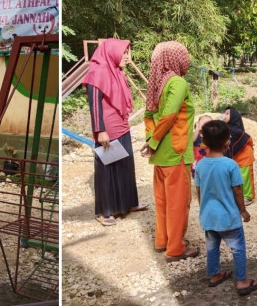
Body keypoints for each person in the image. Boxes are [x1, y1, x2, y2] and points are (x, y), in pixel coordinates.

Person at [140, 41, 199, 262]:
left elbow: (149, 116)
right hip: (177, 153)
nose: (187, 60)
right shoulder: (177, 82)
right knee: (178, 202)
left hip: (161, 157)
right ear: (175, 59)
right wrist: (153, 141)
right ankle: (175, 249)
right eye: (184, 55)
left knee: (163, 200)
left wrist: (150, 140)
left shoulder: (157, 83)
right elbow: (170, 115)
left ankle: (162, 241)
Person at [82, 38, 149, 227]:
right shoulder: (97, 72)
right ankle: (105, 211)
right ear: (112, 52)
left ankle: (129, 203)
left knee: (125, 166)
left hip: (122, 125)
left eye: (128, 53)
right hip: (107, 130)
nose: (128, 58)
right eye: (125, 53)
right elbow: (95, 104)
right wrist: (100, 130)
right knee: (107, 170)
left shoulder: (117, 71)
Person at [195, 120, 257, 295]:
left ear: (204, 143)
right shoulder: (231, 165)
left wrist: (204, 210)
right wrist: (243, 211)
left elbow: (199, 191)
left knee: (212, 248)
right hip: (229, 218)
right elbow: (238, 191)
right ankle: (242, 281)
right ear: (227, 142)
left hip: (209, 218)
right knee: (238, 249)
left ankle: (215, 275)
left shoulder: (200, 165)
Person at [222, 106, 255, 206]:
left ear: (234, 117)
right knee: (236, 177)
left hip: (244, 157)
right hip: (235, 158)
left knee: (245, 178)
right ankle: (237, 195)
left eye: (227, 113)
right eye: (224, 113)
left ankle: (248, 197)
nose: (224, 115)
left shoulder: (237, 131)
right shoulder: (225, 130)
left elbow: (248, 139)